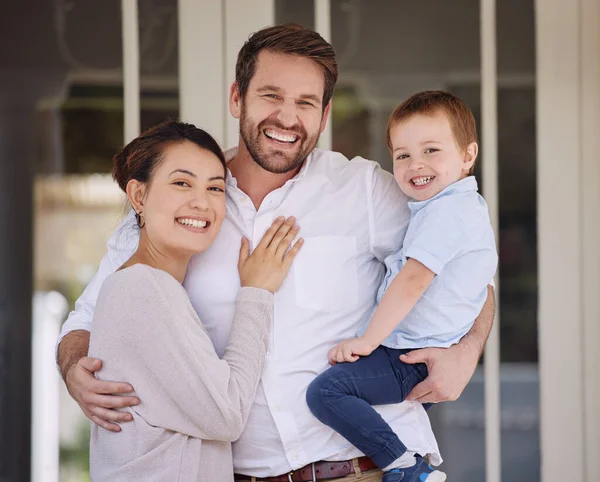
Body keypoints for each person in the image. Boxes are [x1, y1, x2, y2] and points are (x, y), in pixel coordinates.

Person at [57, 24, 495, 482]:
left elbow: (464, 260)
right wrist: (74, 371)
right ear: (237, 99)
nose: (287, 118)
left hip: (366, 470)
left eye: (305, 102)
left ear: (324, 116)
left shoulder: (362, 189)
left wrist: (466, 351)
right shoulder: (182, 207)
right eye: (271, 95)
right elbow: (88, 317)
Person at [86, 119, 303, 481]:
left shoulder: (148, 286)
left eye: (215, 188)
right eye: (182, 183)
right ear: (138, 196)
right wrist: (257, 293)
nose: (201, 203)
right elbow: (227, 413)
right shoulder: (143, 288)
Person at [306, 91, 498, 482]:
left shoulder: (447, 212)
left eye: (431, 150)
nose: (416, 164)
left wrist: (367, 341)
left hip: (408, 354)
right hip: (422, 348)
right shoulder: (451, 207)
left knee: (326, 393)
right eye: (403, 155)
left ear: (468, 155)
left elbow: (414, 280)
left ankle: (408, 469)